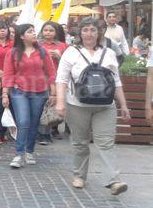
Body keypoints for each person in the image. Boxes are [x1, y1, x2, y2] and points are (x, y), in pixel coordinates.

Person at [55, 17, 130, 195]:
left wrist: (124, 104)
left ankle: (114, 180)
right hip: (77, 104)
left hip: (105, 105)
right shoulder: (71, 52)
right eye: (86, 30)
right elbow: (61, 79)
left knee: (106, 143)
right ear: (80, 33)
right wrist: (60, 103)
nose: (89, 33)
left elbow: (116, 81)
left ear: (99, 33)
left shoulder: (109, 53)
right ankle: (79, 175)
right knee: (80, 142)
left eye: (93, 30)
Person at [2, 24, 56, 169]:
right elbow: (8, 74)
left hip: (39, 91)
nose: (34, 33)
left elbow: (51, 72)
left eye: (34, 30)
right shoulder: (13, 53)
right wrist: (5, 94)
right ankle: (19, 154)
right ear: (21, 36)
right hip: (19, 91)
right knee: (23, 121)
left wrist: (54, 92)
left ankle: (30, 150)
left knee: (34, 122)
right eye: (30, 31)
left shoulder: (42, 51)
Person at [38, 21, 68, 143]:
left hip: (58, 79)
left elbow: (68, 64)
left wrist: (59, 57)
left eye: (51, 30)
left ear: (56, 32)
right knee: (43, 106)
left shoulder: (63, 46)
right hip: (40, 79)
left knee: (54, 106)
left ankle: (51, 129)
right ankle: (43, 133)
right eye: (45, 30)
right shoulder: (37, 45)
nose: (48, 33)